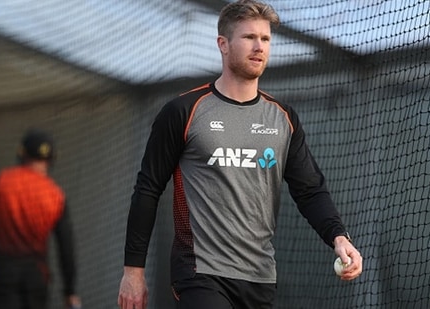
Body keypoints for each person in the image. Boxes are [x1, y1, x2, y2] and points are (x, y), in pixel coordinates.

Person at [118, 0, 363, 308]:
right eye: (249, 37)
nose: (259, 46)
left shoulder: (283, 118)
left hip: (259, 276)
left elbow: (310, 190)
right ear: (223, 43)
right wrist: (133, 272)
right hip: (200, 272)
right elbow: (148, 189)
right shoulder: (183, 111)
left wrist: (339, 237)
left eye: (265, 38)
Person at [0, 128, 82, 309]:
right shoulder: (56, 195)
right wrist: (69, 290)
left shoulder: (2, 182)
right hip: (37, 276)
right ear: (51, 160)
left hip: (3, 272)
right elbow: (66, 246)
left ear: (22, 153)